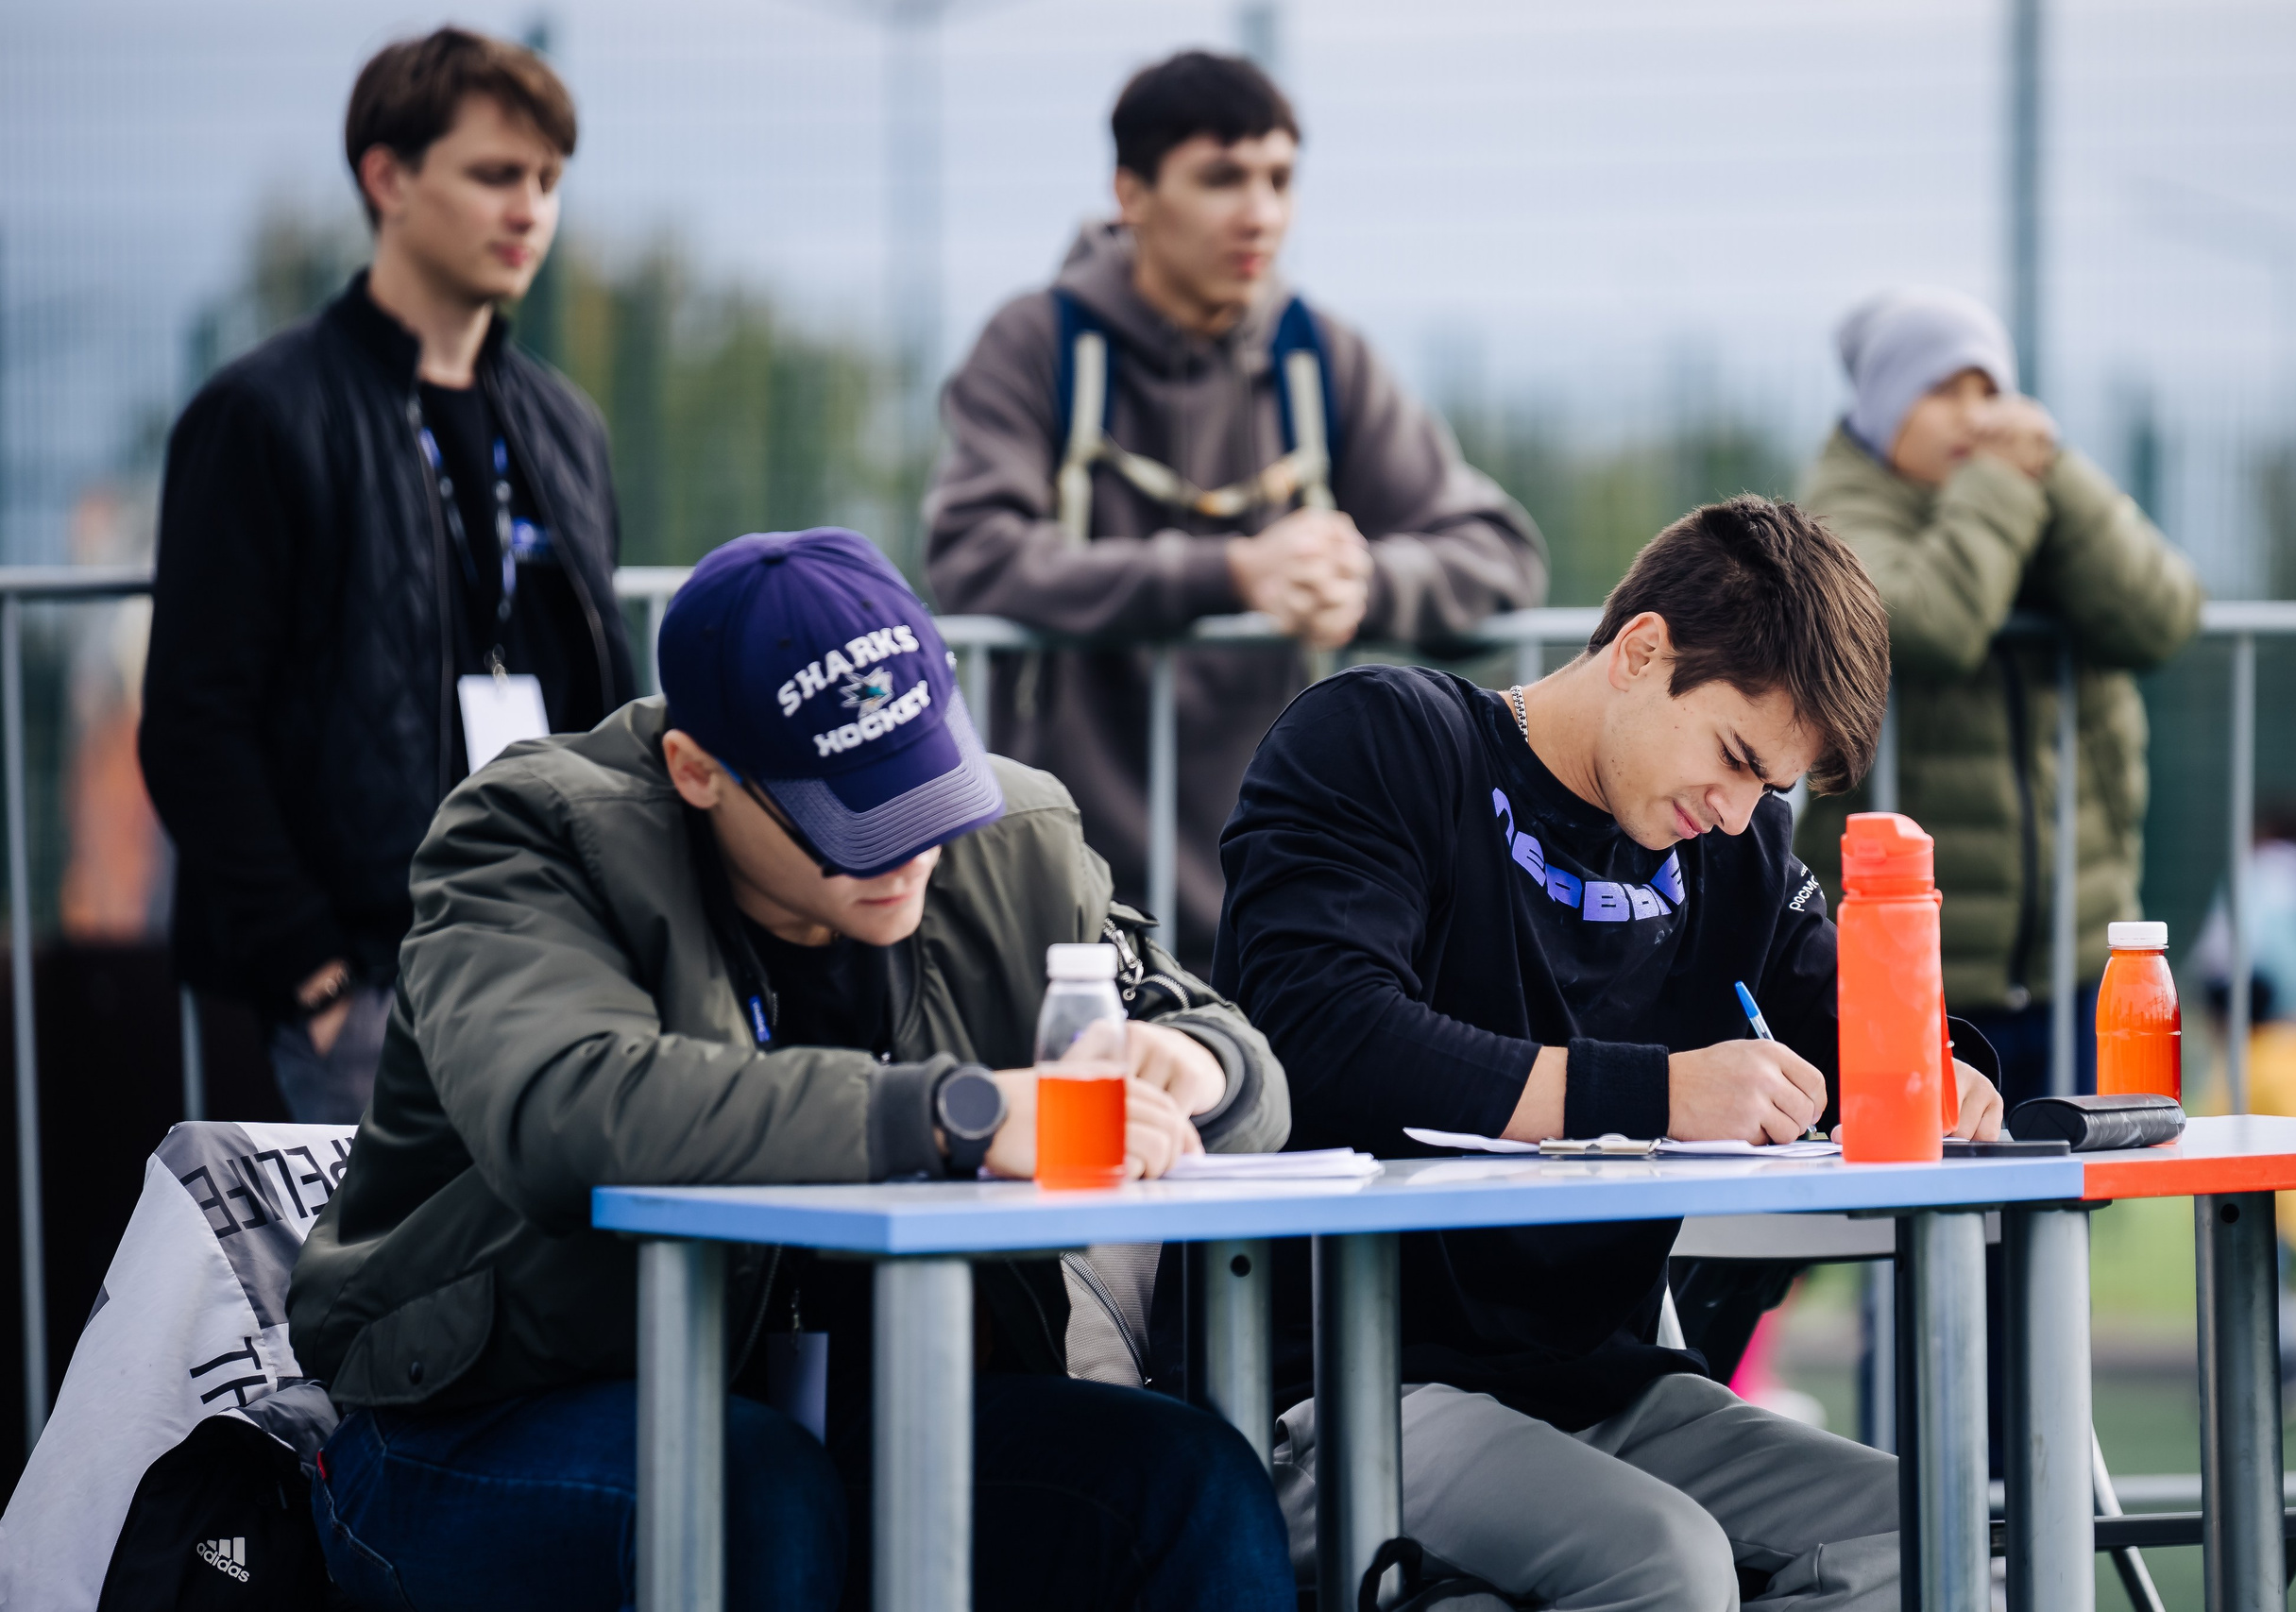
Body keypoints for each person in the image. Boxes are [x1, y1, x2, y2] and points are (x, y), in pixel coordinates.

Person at [286, 528, 1296, 1612]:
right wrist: (956, 1115)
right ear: (696, 771)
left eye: (922, 784)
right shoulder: (530, 839)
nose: (910, 848)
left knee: (1187, 1484)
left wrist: (1190, 1065)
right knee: (751, 1496)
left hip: (856, 1418)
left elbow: (1245, 1067)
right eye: (851, 812)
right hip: (490, 1416)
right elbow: (566, 1111)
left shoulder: (1014, 835)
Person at [1217, 498, 2003, 1609]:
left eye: (1766, 788)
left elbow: (1840, 1018)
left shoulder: (1732, 847)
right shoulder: (1382, 738)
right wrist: (1657, 1095)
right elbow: (1325, 1032)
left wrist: (1944, 1073)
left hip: (1602, 1393)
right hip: (1338, 1387)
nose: (1737, 814)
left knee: (1930, 1530)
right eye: (1734, 757)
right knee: (1661, 1557)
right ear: (1641, 652)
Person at [925, 48, 1543, 965]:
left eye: (1278, 179)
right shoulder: (1035, 342)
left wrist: (1365, 582)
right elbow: (974, 553)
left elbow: (1500, 554)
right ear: (1131, 194)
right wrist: (1231, 574)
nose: (1259, 213)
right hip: (1067, 883)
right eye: (1220, 178)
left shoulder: (1318, 355)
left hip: (1286, 877)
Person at [139, 28, 636, 1125]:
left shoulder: (562, 425)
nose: (530, 211)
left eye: (548, 181)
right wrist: (311, 974)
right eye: (496, 175)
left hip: (559, 967)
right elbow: (193, 718)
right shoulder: (264, 414)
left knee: (546, 1291)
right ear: (387, 178)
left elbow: (607, 703)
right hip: (369, 986)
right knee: (381, 1288)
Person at [1796, 287, 2202, 1106]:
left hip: (2073, 956)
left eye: (1990, 391)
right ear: (1882, 407)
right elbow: (1931, 622)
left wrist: (2057, 468)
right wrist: (2004, 485)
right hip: (1921, 963)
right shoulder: (1839, 516)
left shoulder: (2024, 485)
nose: (1975, 418)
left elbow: (2162, 615)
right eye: (1943, 391)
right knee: (1923, 1206)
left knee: (2061, 1212)